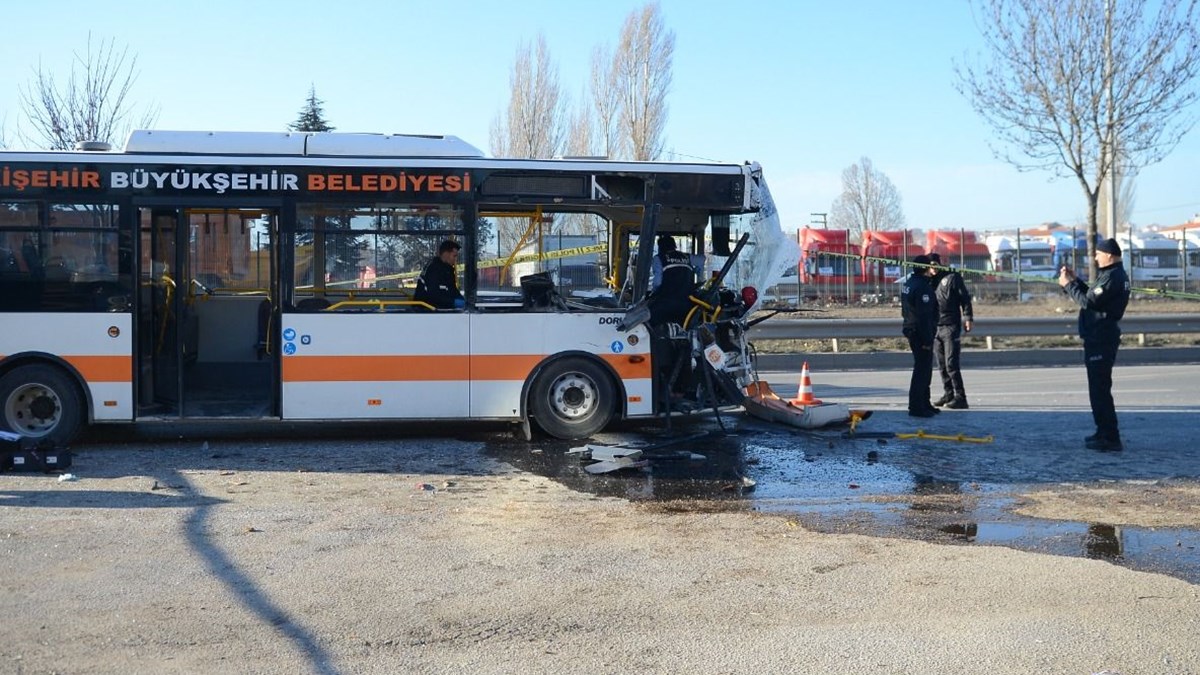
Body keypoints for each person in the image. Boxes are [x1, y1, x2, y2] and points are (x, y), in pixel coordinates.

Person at [1058, 237, 1130, 452]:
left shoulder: (1112, 276)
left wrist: (1068, 285)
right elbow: (1092, 295)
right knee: (1097, 389)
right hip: (1097, 336)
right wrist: (1075, 281)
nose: (1096, 258)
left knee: (1100, 389)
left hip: (1102, 337)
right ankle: (1103, 431)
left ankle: (1110, 437)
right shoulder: (1110, 275)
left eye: (1098, 254)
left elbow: (1088, 302)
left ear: (1109, 255)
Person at [928, 252, 974, 409]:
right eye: (929, 266)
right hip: (936, 326)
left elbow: (965, 299)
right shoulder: (928, 281)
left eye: (934, 265)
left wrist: (968, 317)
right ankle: (948, 394)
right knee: (941, 364)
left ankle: (961, 397)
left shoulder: (952, 277)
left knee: (951, 363)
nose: (932, 269)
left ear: (939, 264)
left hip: (951, 325)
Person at [902, 255, 940, 418]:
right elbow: (924, 316)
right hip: (920, 333)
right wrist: (927, 339)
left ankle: (925, 402)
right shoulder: (922, 287)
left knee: (924, 369)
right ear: (925, 268)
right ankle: (917, 406)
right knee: (922, 370)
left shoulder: (909, 283)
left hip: (912, 329)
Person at [647, 234, 697, 326]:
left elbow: (657, 283)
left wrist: (653, 294)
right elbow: (702, 259)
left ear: (660, 248)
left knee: (648, 320)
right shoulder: (687, 257)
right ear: (674, 246)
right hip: (687, 304)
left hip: (666, 303)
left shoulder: (659, 258)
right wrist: (699, 273)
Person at [414, 239, 466, 310]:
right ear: (446, 254)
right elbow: (433, 295)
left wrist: (462, 300)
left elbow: (452, 289)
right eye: (454, 256)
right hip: (425, 310)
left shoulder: (448, 269)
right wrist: (453, 302)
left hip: (439, 309)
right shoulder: (433, 269)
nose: (455, 259)